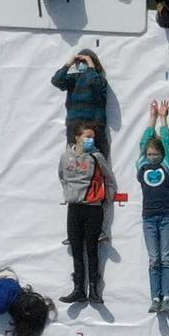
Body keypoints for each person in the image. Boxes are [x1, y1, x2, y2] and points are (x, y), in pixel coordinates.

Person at [58, 121, 116, 306]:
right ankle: (78, 290)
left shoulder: (97, 157)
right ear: (77, 137)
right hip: (74, 207)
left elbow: (109, 179)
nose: (91, 140)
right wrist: (69, 194)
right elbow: (61, 177)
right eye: (87, 137)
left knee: (91, 249)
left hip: (93, 207)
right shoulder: (66, 156)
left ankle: (94, 290)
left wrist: (106, 199)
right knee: (76, 250)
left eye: (92, 137)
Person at [136, 100, 169, 313]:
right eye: (150, 154)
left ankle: (167, 298)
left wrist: (164, 120)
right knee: (154, 260)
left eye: (156, 153)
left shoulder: (167, 166)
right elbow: (144, 142)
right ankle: (155, 297)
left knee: (166, 259)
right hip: (148, 218)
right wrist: (152, 119)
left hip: (166, 216)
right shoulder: (142, 165)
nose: (153, 156)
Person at [51, 49, 110, 151]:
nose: (82, 64)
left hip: (94, 126)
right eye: (79, 62)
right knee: (74, 156)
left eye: (85, 62)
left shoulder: (99, 79)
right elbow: (57, 81)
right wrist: (69, 64)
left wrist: (91, 67)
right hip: (74, 125)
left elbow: (95, 83)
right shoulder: (73, 78)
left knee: (97, 157)